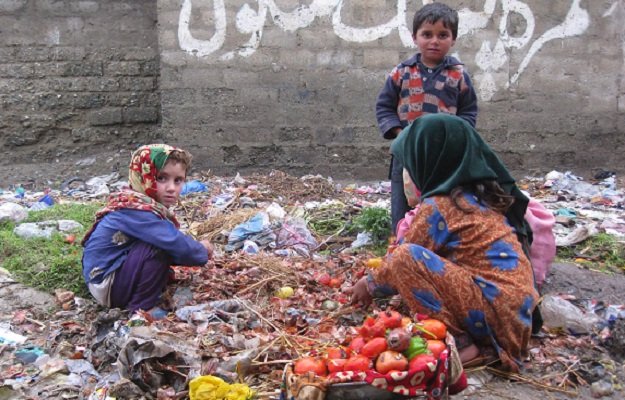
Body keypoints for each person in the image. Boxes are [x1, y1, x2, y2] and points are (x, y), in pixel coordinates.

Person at [350, 114, 538, 372]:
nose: (407, 176)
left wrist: (368, 284)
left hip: (495, 311)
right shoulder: (470, 198)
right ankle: (482, 346)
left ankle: (462, 345)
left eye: (408, 166)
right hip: (512, 317)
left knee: (405, 258)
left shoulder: (441, 206)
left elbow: (400, 262)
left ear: (431, 161)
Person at [375, 2, 478, 233]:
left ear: (453, 39)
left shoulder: (458, 75)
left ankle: (438, 240)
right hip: (407, 152)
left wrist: (455, 137)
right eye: (427, 34)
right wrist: (402, 136)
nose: (434, 41)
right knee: (403, 198)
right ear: (415, 37)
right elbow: (384, 107)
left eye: (443, 35)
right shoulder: (402, 72)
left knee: (443, 198)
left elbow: (469, 112)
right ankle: (401, 242)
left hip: (445, 154)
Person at [82, 144, 212, 318]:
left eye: (178, 180)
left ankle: (143, 295)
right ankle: (141, 310)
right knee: (157, 246)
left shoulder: (140, 205)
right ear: (143, 176)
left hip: (111, 278)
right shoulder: (136, 210)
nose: (172, 188)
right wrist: (202, 249)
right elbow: (178, 245)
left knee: (163, 243)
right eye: (161, 178)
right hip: (107, 284)